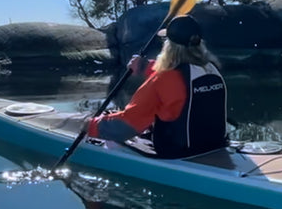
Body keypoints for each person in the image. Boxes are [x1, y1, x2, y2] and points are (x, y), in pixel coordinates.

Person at [86, 14, 228, 159]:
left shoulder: (162, 79)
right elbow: (180, 76)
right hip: (213, 144)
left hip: (177, 151)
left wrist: (89, 126)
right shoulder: (210, 68)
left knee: (110, 124)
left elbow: (127, 126)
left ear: (169, 46)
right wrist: (144, 66)